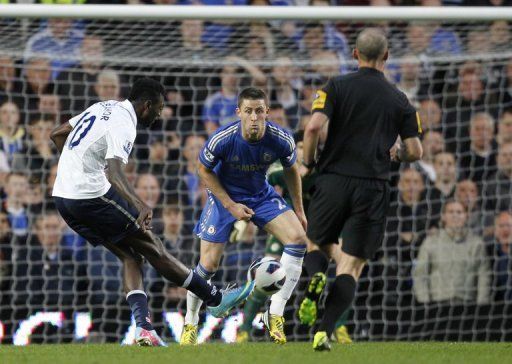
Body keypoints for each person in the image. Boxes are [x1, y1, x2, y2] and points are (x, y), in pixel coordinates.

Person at [50, 78, 253, 347]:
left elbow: (58, 133)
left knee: (130, 255)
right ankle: (214, 298)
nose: (160, 113)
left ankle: (143, 329)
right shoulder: (124, 123)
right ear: (146, 105)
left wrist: (73, 169)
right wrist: (141, 205)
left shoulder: (103, 106)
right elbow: (114, 173)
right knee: (153, 247)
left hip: (63, 197)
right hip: (89, 195)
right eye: (158, 107)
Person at [300, 28, 423, 351]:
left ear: (355, 54)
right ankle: (324, 331)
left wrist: (310, 162)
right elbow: (416, 151)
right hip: (373, 186)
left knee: (316, 241)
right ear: (387, 56)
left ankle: (315, 277)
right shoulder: (400, 99)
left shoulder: (336, 86)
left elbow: (313, 127)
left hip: (334, 179)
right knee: (351, 265)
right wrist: (397, 154)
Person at [180, 87, 307, 346]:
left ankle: (275, 314)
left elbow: (292, 169)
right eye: (248, 111)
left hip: (260, 194)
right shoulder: (223, 138)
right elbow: (203, 170)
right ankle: (190, 323)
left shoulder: (281, 138)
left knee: (298, 239)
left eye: (259, 111)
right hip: (223, 196)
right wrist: (230, 205)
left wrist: (299, 210)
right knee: (208, 265)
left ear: (267, 113)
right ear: (239, 112)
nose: (254, 117)